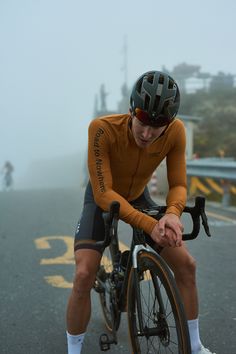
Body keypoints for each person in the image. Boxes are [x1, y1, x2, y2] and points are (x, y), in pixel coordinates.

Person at [66, 70, 216, 354]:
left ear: (169, 122)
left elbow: (180, 184)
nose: (147, 132)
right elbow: (103, 194)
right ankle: (73, 349)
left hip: (138, 196)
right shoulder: (102, 128)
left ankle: (194, 347)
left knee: (187, 265)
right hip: (102, 199)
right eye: (143, 120)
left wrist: (172, 213)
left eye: (158, 125)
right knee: (84, 274)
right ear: (131, 111)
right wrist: (149, 224)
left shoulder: (175, 132)